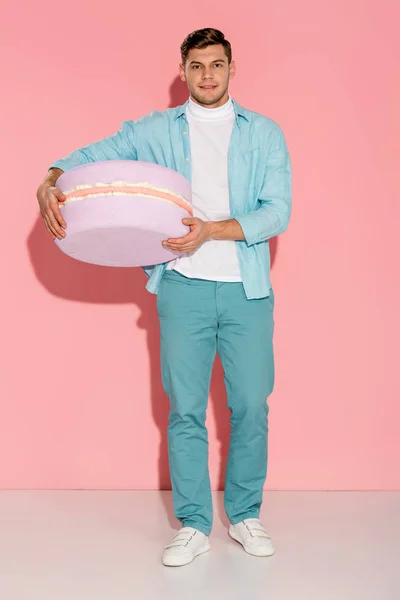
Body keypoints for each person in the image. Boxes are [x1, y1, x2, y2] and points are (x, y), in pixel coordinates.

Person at [36, 27, 292, 567]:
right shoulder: (154, 130)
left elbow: (277, 211)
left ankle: (245, 515)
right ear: (183, 71)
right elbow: (92, 154)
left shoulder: (263, 133)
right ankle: (195, 523)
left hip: (247, 288)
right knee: (185, 411)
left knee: (250, 406)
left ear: (231, 68)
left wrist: (212, 231)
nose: (207, 75)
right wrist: (52, 176)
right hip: (182, 287)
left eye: (216, 65)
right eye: (197, 65)